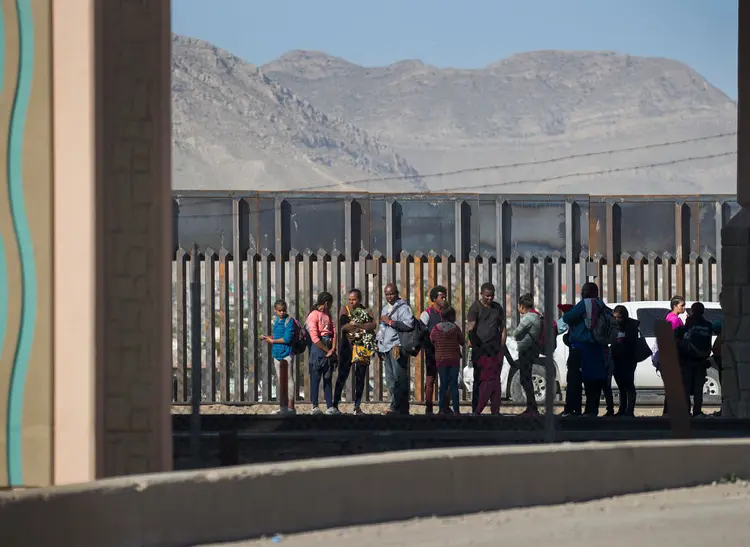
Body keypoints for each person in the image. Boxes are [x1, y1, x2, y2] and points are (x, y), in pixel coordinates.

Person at [562, 282, 610, 417]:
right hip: (598, 348)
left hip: (581, 348)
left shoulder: (586, 304)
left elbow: (567, 317)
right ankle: (591, 410)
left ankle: (573, 409)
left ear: (592, 292)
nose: (583, 293)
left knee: (574, 379)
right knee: (593, 381)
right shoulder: (602, 305)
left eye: (585, 290)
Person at [333, 289, 376, 415]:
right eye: (350, 299)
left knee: (360, 377)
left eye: (354, 299)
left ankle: (357, 406)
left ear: (359, 299)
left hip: (362, 348)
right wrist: (362, 325)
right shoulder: (344, 310)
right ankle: (335, 405)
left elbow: (373, 325)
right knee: (342, 375)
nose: (352, 302)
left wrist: (356, 324)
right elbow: (344, 326)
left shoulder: (366, 310)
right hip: (347, 348)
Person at [467, 283, 506, 414]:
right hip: (481, 351)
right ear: (481, 294)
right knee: (479, 380)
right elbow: (471, 330)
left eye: (492, 295)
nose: (490, 298)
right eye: (487, 296)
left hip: (495, 351)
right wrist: (477, 347)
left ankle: (495, 410)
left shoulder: (497, 308)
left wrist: (501, 346)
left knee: (495, 380)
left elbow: (503, 329)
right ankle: (476, 410)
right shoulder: (475, 308)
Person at [376, 283, 414, 415]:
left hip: (397, 346)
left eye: (391, 294)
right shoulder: (385, 309)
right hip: (385, 347)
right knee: (390, 379)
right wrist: (378, 345)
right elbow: (382, 328)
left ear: (396, 293)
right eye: (387, 294)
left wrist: (391, 322)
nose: (389, 297)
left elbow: (409, 324)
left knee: (400, 378)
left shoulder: (404, 308)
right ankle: (396, 405)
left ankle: (400, 407)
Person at [261, 299, 297, 415]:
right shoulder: (276, 321)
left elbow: (287, 339)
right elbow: (277, 336)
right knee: (281, 381)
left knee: (289, 379)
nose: (282, 313)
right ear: (275, 311)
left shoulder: (289, 321)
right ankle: (283, 406)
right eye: (280, 311)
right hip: (276, 354)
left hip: (286, 354)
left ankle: (290, 407)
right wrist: (267, 337)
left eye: (284, 310)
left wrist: (273, 341)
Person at [678, 301, 713, 417]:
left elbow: (682, 340)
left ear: (692, 311)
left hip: (688, 360)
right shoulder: (708, 325)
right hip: (702, 360)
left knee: (686, 388)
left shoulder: (689, 323)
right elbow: (709, 343)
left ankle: (686, 411)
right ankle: (697, 411)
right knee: (699, 388)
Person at [306, 292, 337, 415]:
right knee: (316, 377)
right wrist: (327, 350)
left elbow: (333, 331)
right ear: (326, 303)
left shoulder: (327, 315)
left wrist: (333, 348)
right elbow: (314, 337)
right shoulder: (313, 315)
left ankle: (330, 406)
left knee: (328, 377)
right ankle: (315, 406)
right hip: (318, 348)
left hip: (328, 346)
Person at [511, 293, 542, 417]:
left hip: (527, 351)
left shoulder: (529, 317)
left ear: (521, 306)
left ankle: (532, 408)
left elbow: (516, 333)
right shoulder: (536, 316)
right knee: (526, 379)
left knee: (525, 379)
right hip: (531, 350)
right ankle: (531, 408)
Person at [429, 305, 463, 415]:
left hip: (441, 360)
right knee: (453, 385)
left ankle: (441, 409)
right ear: (452, 316)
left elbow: (432, 339)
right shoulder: (455, 328)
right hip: (454, 360)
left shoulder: (435, 328)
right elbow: (462, 341)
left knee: (443, 385)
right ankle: (456, 410)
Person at [420, 285, 448, 414]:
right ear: (434, 298)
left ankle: (444, 407)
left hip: (445, 353)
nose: (444, 300)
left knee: (445, 380)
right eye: (441, 297)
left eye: (445, 297)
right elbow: (421, 331)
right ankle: (429, 407)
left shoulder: (447, 313)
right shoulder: (427, 314)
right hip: (432, 352)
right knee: (431, 379)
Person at [660, 295, 686, 416]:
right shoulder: (675, 320)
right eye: (682, 305)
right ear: (675, 306)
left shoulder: (670, 317)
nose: (684, 307)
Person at [611, 305, 639, 417]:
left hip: (628, 360)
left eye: (620, 317)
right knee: (621, 386)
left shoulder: (631, 327)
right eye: (616, 318)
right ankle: (622, 409)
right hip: (616, 359)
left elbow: (632, 345)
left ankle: (630, 410)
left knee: (629, 385)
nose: (617, 320)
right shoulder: (614, 328)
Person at [557, 303, 583, 417]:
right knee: (575, 384)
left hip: (575, 357)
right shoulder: (576, 326)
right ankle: (575, 409)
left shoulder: (574, 327)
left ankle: (570, 409)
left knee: (573, 383)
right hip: (577, 357)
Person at [470, 331, 502, 415]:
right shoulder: (497, 359)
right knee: (495, 401)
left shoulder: (484, 360)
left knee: (482, 401)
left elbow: (477, 364)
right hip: (496, 382)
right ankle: (495, 413)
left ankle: (476, 412)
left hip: (486, 383)